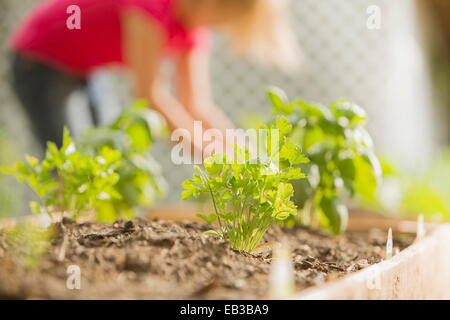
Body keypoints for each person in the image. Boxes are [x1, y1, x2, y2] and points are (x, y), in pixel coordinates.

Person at [9, 0, 298, 153]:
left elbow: (198, 106)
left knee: (109, 160)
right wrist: (214, 157)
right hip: (41, 61)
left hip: (86, 69)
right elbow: (150, 96)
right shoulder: (152, 5)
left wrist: (244, 154)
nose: (221, 29)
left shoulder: (192, 27)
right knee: (71, 168)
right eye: (225, 21)